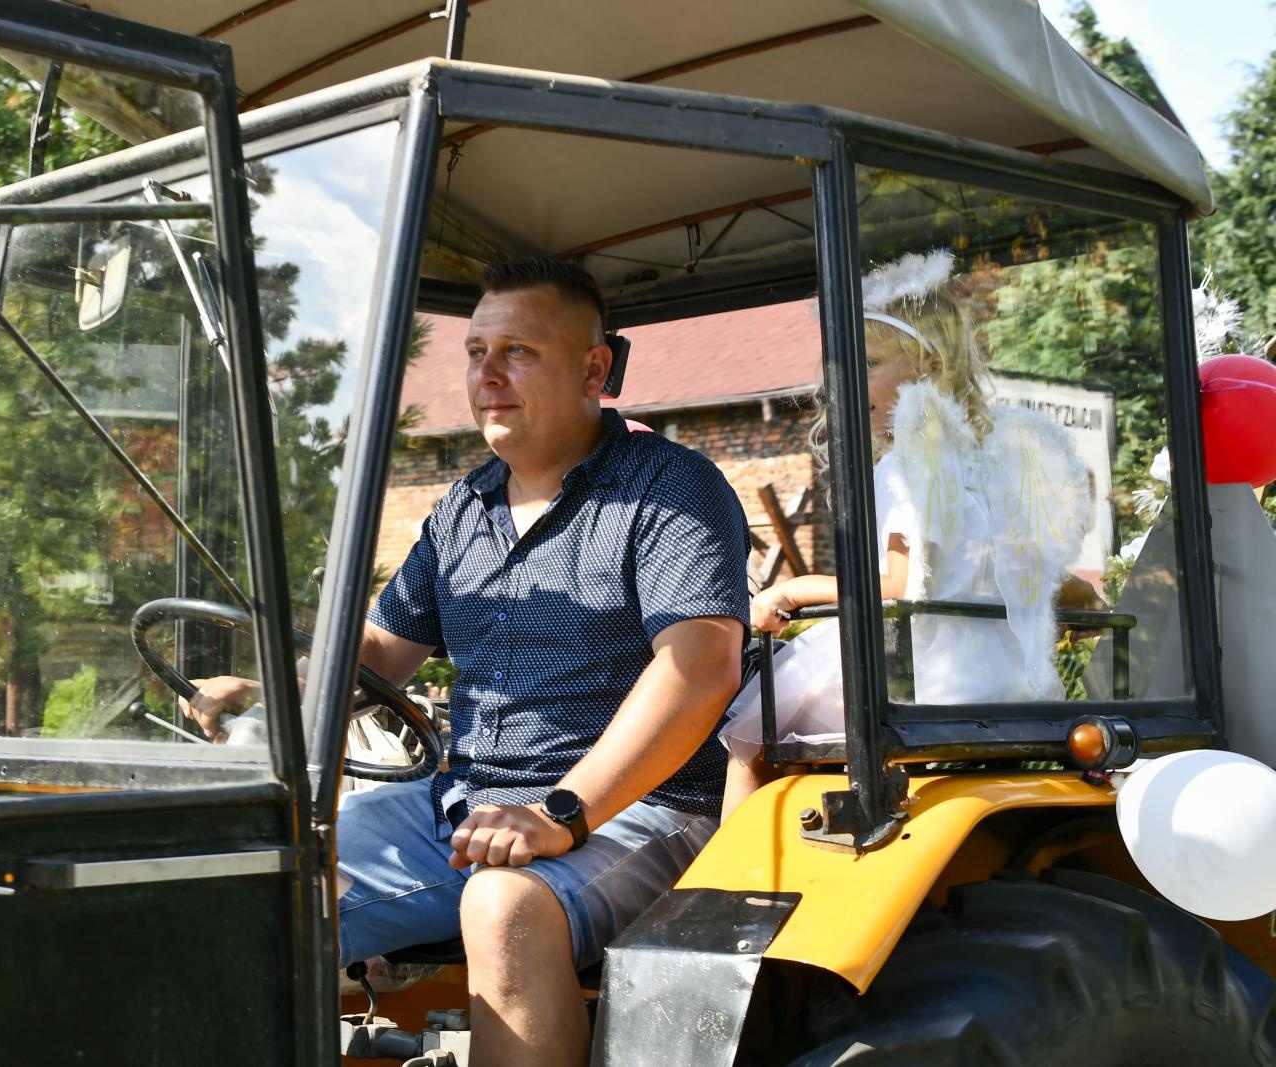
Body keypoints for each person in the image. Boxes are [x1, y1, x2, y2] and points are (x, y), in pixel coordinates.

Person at [187, 256, 750, 1066]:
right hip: (468, 803)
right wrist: (272, 689)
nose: (486, 374)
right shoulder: (463, 509)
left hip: (637, 809)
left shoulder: (669, 488)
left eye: (517, 351)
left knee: (501, 905)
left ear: (596, 369)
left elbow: (699, 670)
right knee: (261, 878)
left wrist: (562, 813)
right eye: (475, 351)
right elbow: (379, 653)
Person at [721, 250, 1090, 818]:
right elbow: (1020, 567)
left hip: (927, 681)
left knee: (750, 743)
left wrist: (793, 591)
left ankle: (731, 891)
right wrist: (1080, 596)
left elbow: (897, 584)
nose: (844, 380)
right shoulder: (985, 462)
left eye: (867, 362)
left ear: (930, 367)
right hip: (997, 681)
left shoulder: (903, 467)